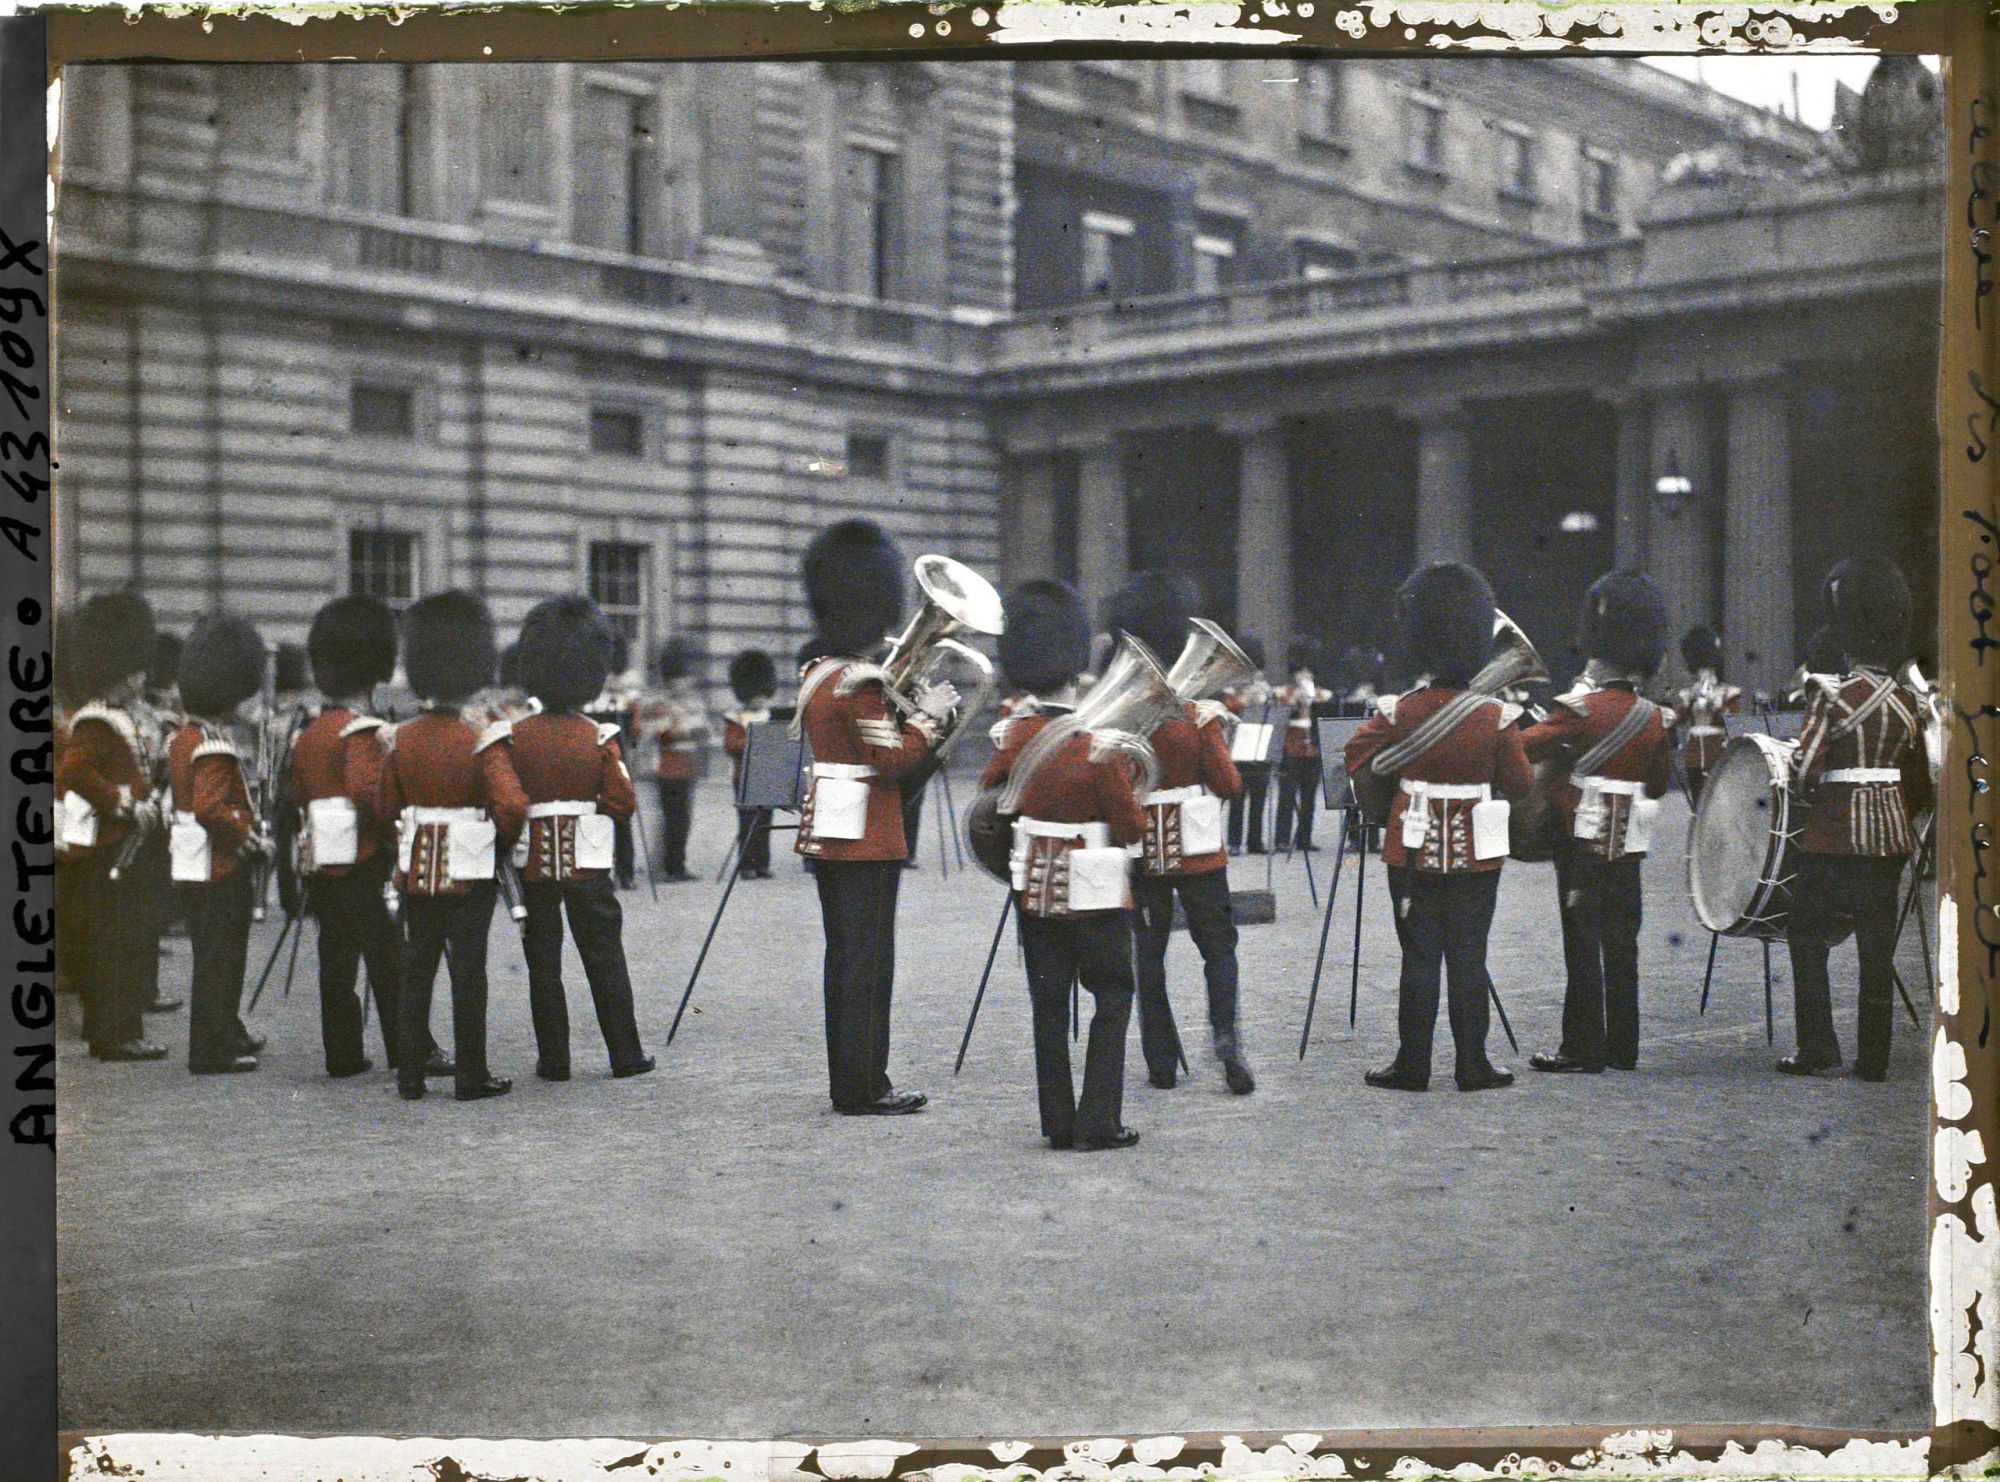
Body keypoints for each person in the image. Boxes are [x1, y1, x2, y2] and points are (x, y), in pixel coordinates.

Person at [1344, 562, 1531, 1093]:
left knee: (1418, 958)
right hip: (1477, 853)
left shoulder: (1399, 712)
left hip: (1412, 849)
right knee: (1470, 958)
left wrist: (1386, 808)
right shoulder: (1495, 716)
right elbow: (1519, 786)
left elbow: (1358, 759)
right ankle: (1473, 1064)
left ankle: (1413, 1063)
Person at [793, 518, 955, 1117]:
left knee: (848, 959)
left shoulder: (820, 674)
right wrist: (928, 716)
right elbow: (892, 760)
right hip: (866, 834)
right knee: (868, 964)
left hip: (834, 830)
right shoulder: (859, 681)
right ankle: (864, 1086)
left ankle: (854, 1081)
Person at [982, 579, 1149, 1150]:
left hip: (1036, 887)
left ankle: (1056, 1121)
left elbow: (989, 802)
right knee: (1112, 995)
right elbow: (1130, 825)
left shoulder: (1013, 736)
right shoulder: (1099, 741)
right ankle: (1099, 1119)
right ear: (1076, 665)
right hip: (1097, 888)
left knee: (1048, 1005)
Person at [479, 596, 655, 1083]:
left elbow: (508, 803)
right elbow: (623, 802)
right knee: (605, 959)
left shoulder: (514, 736)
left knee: (544, 966)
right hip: (588, 864)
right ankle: (626, 1054)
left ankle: (554, 1060)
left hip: (534, 863)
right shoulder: (599, 735)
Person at [1780, 555, 1932, 1080]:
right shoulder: (1910, 703)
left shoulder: (1833, 696)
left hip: (1832, 834)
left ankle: (1818, 1047)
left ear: (1847, 633)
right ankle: (1874, 1059)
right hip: (1889, 837)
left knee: (1806, 934)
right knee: (1876, 948)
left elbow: (1804, 772)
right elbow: (1919, 786)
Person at [1102, 572, 1254, 1096]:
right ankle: (1229, 1047)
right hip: (1200, 852)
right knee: (1219, 949)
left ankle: (1161, 1062)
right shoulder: (1197, 715)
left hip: (1145, 851)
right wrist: (1219, 735)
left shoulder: (1123, 719)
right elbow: (1229, 785)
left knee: (1150, 956)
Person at [1522, 571, 1675, 1076]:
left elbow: (1527, 747)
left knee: (1582, 939)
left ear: (1599, 652)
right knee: (1622, 939)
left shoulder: (1581, 707)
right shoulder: (1654, 716)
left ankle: (1582, 1046)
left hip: (1580, 837)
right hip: (1627, 840)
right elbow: (1657, 785)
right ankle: (1623, 1047)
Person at [291, 595, 449, 1081]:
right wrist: (394, 827)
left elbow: (295, 792)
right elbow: (369, 793)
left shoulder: (313, 730)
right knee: (389, 961)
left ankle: (342, 1054)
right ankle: (413, 1049)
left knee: (336, 958)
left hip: (321, 860)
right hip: (363, 861)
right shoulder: (363, 731)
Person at [379, 591, 521, 1103]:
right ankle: (471, 1075)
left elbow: (384, 804)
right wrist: (495, 845)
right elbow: (511, 805)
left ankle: (410, 1076)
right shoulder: (481, 738)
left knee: (417, 970)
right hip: (469, 868)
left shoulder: (401, 737)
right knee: (468, 972)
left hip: (418, 865)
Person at [55, 591, 170, 1062]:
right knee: (113, 943)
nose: (143, 677)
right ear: (118, 670)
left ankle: (116, 1029)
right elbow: (74, 773)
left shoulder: (115, 718)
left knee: (121, 942)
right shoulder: (96, 722)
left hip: (126, 844)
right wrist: (121, 801)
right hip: (109, 848)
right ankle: (115, 1033)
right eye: (136, 668)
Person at [168, 614, 273, 1076]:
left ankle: (227, 1031)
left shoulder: (184, 737)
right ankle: (211, 1050)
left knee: (218, 954)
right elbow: (211, 807)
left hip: (197, 864)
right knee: (219, 959)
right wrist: (247, 836)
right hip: (219, 865)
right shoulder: (209, 743)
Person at [642, 636, 708, 883]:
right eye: (681, 678)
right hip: (666, 766)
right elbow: (663, 733)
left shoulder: (693, 703)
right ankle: (665, 866)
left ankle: (677, 865)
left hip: (686, 765)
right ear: (672, 680)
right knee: (671, 819)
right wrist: (687, 729)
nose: (686, 683)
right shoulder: (659, 703)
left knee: (683, 820)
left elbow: (703, 730)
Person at [588, 639, 645, 889]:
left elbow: (634, 732)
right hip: (593, 761)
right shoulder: (589, 695)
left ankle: (626, 871)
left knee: (622, 813)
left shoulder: (627, 697)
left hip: (618, 761)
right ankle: (603, 871)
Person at [722, 648, 780, 880]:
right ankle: (746, 864)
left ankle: (762, 864)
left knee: (766, 822)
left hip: (767, 777)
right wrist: (756, 741)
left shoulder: (772, 717)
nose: (760, 699)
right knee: (747, 823)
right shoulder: (736, 719)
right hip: (744, 777)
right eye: (756, 695)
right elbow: (731, 746)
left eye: (763, 695)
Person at [1274, 637, 1332, 851]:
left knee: (1309, 799)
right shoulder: (1286, 692)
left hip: (1312, 749)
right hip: (1291, 749)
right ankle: (1281, 839)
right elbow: (1282, 704)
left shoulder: (1320, 693)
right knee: (1287, 797)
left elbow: (1325, 700)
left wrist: (1311, 697)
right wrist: (1298, 696)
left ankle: (1303, 838)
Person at [1674, 624, 1742, 801]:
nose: (1704, 675)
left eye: (1708, 670)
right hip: (1695, 754)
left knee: (1718, 799)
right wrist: (1688, 702)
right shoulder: (1689, 693)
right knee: (1697, 800)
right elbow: (1679, 720)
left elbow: (1732, 723)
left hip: (1717, 751)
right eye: (1701, 671)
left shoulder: (1729, 693)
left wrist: (1716, 704)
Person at [1223, 635, 1273, 855]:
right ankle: (1235, 841)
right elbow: (1229, 708)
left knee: (1258, 797)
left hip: (1258, 743)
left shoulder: (1261, 684)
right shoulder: (1231, 684)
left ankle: (1254, 840)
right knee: (1238, 796)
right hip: (1237, 745)